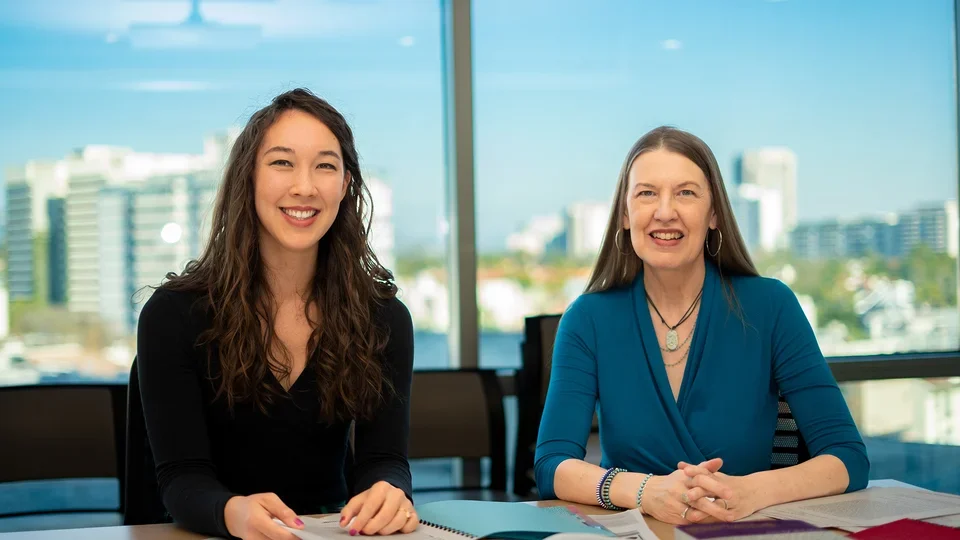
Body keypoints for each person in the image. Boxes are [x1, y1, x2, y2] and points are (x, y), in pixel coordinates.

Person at [533, 126, 869, 525]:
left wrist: (751, 490)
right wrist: (644, 491)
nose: (664, 211)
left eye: (686, 192)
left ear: (713, 214)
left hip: (746, 531)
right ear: (625, 214)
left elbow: (847, 456)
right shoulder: (587, 319)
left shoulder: (771, 305)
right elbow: (552, 466)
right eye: (646, 193)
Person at [137, 88, 419, 540]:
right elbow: (181, 478)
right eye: (282, 162)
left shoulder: (383, 318)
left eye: (325, 165)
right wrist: (231, 512)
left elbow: (384, 460)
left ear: (345, 185)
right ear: (247, 177)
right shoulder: (174, 314)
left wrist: (389, 491)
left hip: (334, 533)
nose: (304, 186)